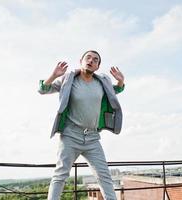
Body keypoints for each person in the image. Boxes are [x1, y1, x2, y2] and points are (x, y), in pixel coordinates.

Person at [38, 50, 125, 200]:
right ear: (81, 61)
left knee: (104, 177)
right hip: (70, 135)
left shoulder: (102, 82)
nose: (91, 60)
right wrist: (54, 75)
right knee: (60, 175)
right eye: (88, 58)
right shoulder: (68, 79)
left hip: (92, 137)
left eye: (96, 60)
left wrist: (120, 81)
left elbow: (115, 91)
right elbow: (42, 89)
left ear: (97, 67)